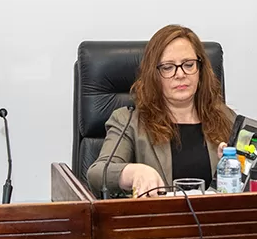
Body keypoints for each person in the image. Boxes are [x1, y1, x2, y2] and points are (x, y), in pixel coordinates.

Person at [87, 25, 235, 197]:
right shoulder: (129, 121)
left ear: (200, 71)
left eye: (188, 65)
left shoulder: (226, 118)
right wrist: (134, 172)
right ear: (153, 74)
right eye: (167, 67)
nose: (180, 74)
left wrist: (232, 166)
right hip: (157, 222)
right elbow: (97, 173)